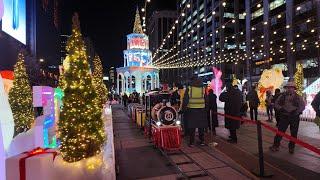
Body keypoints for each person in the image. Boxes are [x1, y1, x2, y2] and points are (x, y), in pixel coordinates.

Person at [269, 81, 305, 154]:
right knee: (280, 132)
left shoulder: (298, 97)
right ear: (286, 88)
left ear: (294, 88)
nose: (289, 89)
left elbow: (302, 106)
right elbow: (276, 104)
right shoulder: (282, 96)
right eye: (288, 87)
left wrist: (296, 111)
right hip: (284, 116)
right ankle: (276, 145)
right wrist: (281, 109)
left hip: (294, 117)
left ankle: (291, 148)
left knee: (294, 133)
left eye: (291, 87)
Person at [180, 76, 208, 146]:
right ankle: (202, 141)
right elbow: (206, 99)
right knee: (201, 126)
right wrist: (206, 108)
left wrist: (183, 109)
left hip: (191, 109)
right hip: (201, 109)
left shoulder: (189, 88)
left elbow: (185, 100)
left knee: (192, 126)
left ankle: (192, 142)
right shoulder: (203, 88)